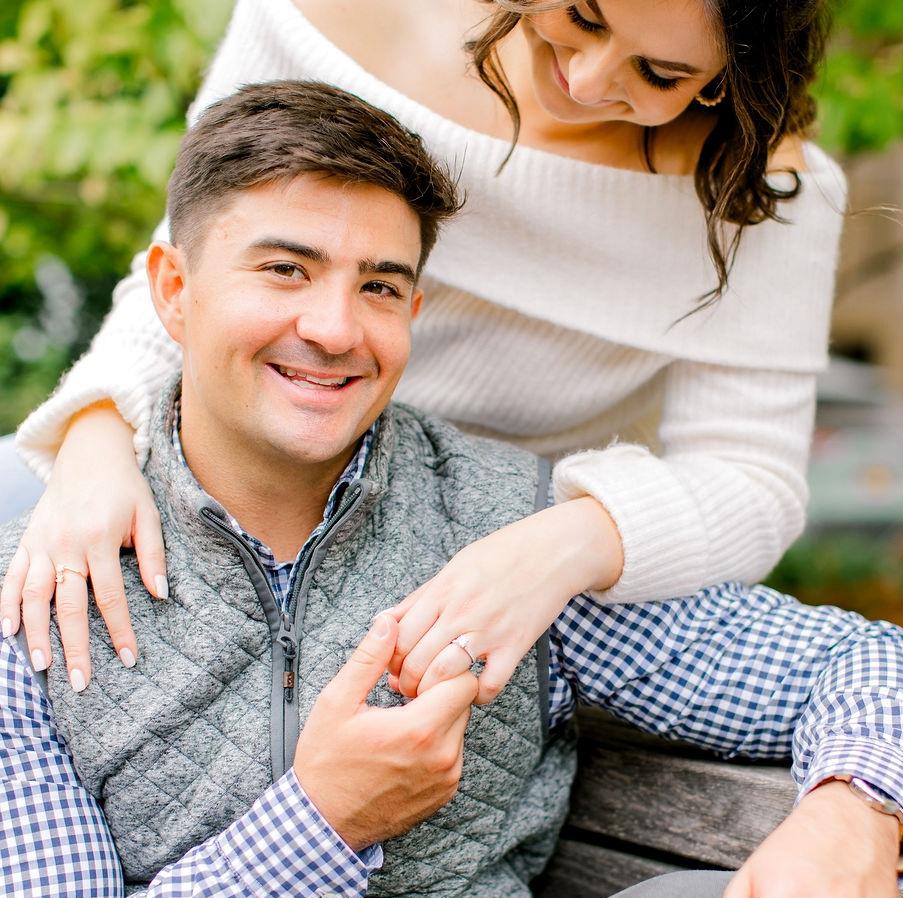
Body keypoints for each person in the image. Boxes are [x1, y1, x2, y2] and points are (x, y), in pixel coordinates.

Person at [0, 81, 903, 898]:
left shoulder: (506, 535)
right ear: (174, 292)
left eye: (380, 286)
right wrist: (321, 825)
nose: (334, 329)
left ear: (413, 313)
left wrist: (853, 816)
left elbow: (861, 664)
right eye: (286, 270)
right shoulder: (45, 578)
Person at [2, 0, 847, 706]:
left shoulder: (764, 197)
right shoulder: (334, 17)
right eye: (582, 18)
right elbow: (200, 265)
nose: (589, 81)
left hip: (496, 555)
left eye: (660, 74)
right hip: (241, 480)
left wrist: (558, 545)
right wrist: (95, 435)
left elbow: (752, 480)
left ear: (731, 75)